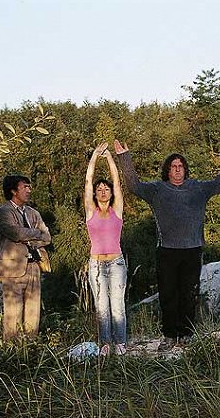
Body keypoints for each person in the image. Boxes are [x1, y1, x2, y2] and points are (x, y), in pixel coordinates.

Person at [114, 139, 220, 351]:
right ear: (167, 170)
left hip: (192, 249)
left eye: (181, 166)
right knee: (168, 294)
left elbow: (219, 182)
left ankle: (186, 334)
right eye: (173, 166)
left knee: (189, 295)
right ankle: (170, 335)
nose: (177, 170)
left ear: (185, 170)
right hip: (167, 251)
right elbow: (133, 185)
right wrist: (125, 158)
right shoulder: (157, 190)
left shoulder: (198, 188)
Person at [0, 175, 51, 341]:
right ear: (13, 190)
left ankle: (31, 352)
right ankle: (11, 354)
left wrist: (33, 235)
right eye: (25, 187)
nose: (29, 190)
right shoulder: (4, 211)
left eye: (29, 187)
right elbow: (15, 233)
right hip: (12, 269)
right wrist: (36, 233)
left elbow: (47, 237)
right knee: (13, 316)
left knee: (33, 315)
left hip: (34, 266)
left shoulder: (33, 213)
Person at [84, 142, 127, 356]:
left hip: (116, 262)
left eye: (106, 189)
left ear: (110, 193)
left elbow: (118, 182)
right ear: (95, 193)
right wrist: (94, 157)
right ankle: (105, 344)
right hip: (96, 264)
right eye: (99, 189)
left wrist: (109, 157)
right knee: (101, 306)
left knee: (117, 305)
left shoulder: (116, 211)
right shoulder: (90, 211)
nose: (102, 191)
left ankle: (120, 343)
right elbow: (87, 182)